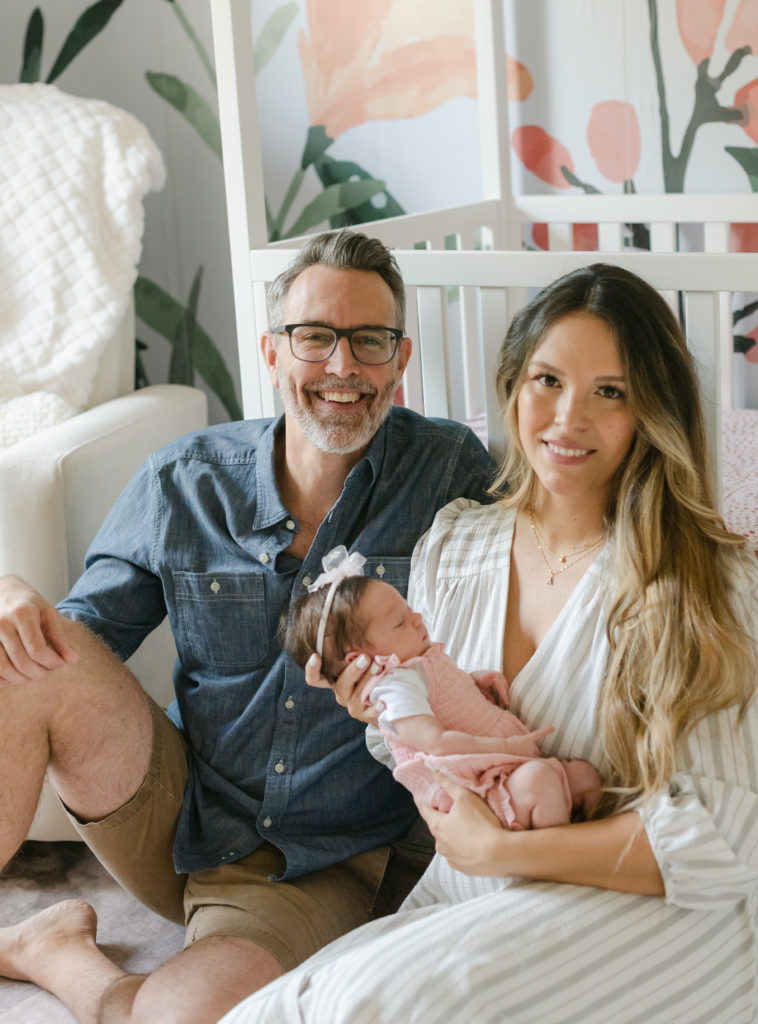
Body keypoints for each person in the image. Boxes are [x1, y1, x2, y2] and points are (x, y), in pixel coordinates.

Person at [216, 262, 758, 1024]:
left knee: (371, 1008)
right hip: (471, 896)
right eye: (547, 380)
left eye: (611, 391)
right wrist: (383, 712)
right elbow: (434, 745)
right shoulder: (454, 545)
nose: (568, 418)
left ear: (651, 413)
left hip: (654, 911)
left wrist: (503, 851)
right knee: (276, 1011)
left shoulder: (710, 585)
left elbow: (726, 838)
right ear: (512, 386)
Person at [0, 229, 497, 1024]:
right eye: (315, 338)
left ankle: (59, 955)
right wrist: (6, 593)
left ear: (399, 360)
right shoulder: (186, 478)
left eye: (370, 340)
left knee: (182, 1017)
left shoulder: (450, 472)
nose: (343, 367)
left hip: (334, 859)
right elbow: (80, 636)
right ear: (272, 353)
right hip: (186, 809)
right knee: (19, 657)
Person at [283, 545, 601, 829]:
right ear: (360, 660)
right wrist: (506, 748)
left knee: (584, 776)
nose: (418, 618)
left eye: (409, 609)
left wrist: (476, 682)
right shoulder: (395, 688)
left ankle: (571, 845)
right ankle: (551, 863)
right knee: (540, 781)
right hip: (477, 786)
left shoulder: (416, 665)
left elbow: (444, 696)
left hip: (503, 767)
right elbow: (436, 743)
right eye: (400, 622)